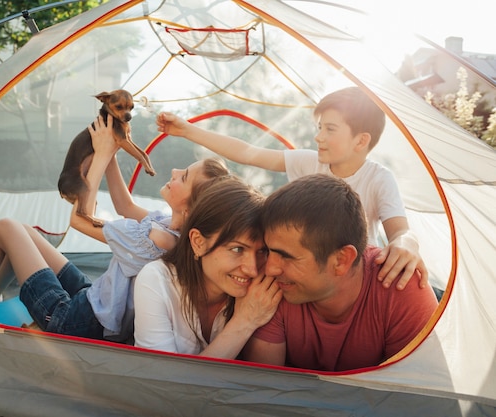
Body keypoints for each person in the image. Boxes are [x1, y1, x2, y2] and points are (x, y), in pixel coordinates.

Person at [0, 114, 230, 342]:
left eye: (185, 176)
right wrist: (109, 153)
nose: (174, 172)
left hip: (73, 321)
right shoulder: (171, 229)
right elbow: (125, 207)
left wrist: (100, 156)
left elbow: (80, 219)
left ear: (191, 208)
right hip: (98, 301)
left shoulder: (156, 240)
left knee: (7, 228)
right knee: (26, 234)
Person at [156, 87, 427, 290]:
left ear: (361, 141)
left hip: (350, 281)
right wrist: (187, 130)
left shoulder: (379, 179)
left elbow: (400, 231)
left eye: (330, 130)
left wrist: (407, 244)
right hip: (300, 273)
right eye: (319, 128)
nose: (318, 137)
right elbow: (249, 153)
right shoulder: (309, 161)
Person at [241, 174, 439, 371]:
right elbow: (264, 390)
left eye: (286, 256)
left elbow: (417, 395)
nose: (270, 268)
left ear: (341, 260)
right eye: (268, 251)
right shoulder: (273, 288)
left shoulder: (401, 286)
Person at [134, 176, 282, 358]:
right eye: (237, 249)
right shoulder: (157, 281)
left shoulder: (261, 291)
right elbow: (164, 380)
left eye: (262, 251)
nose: (252, 269)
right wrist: (245, 321)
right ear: (198, 242)